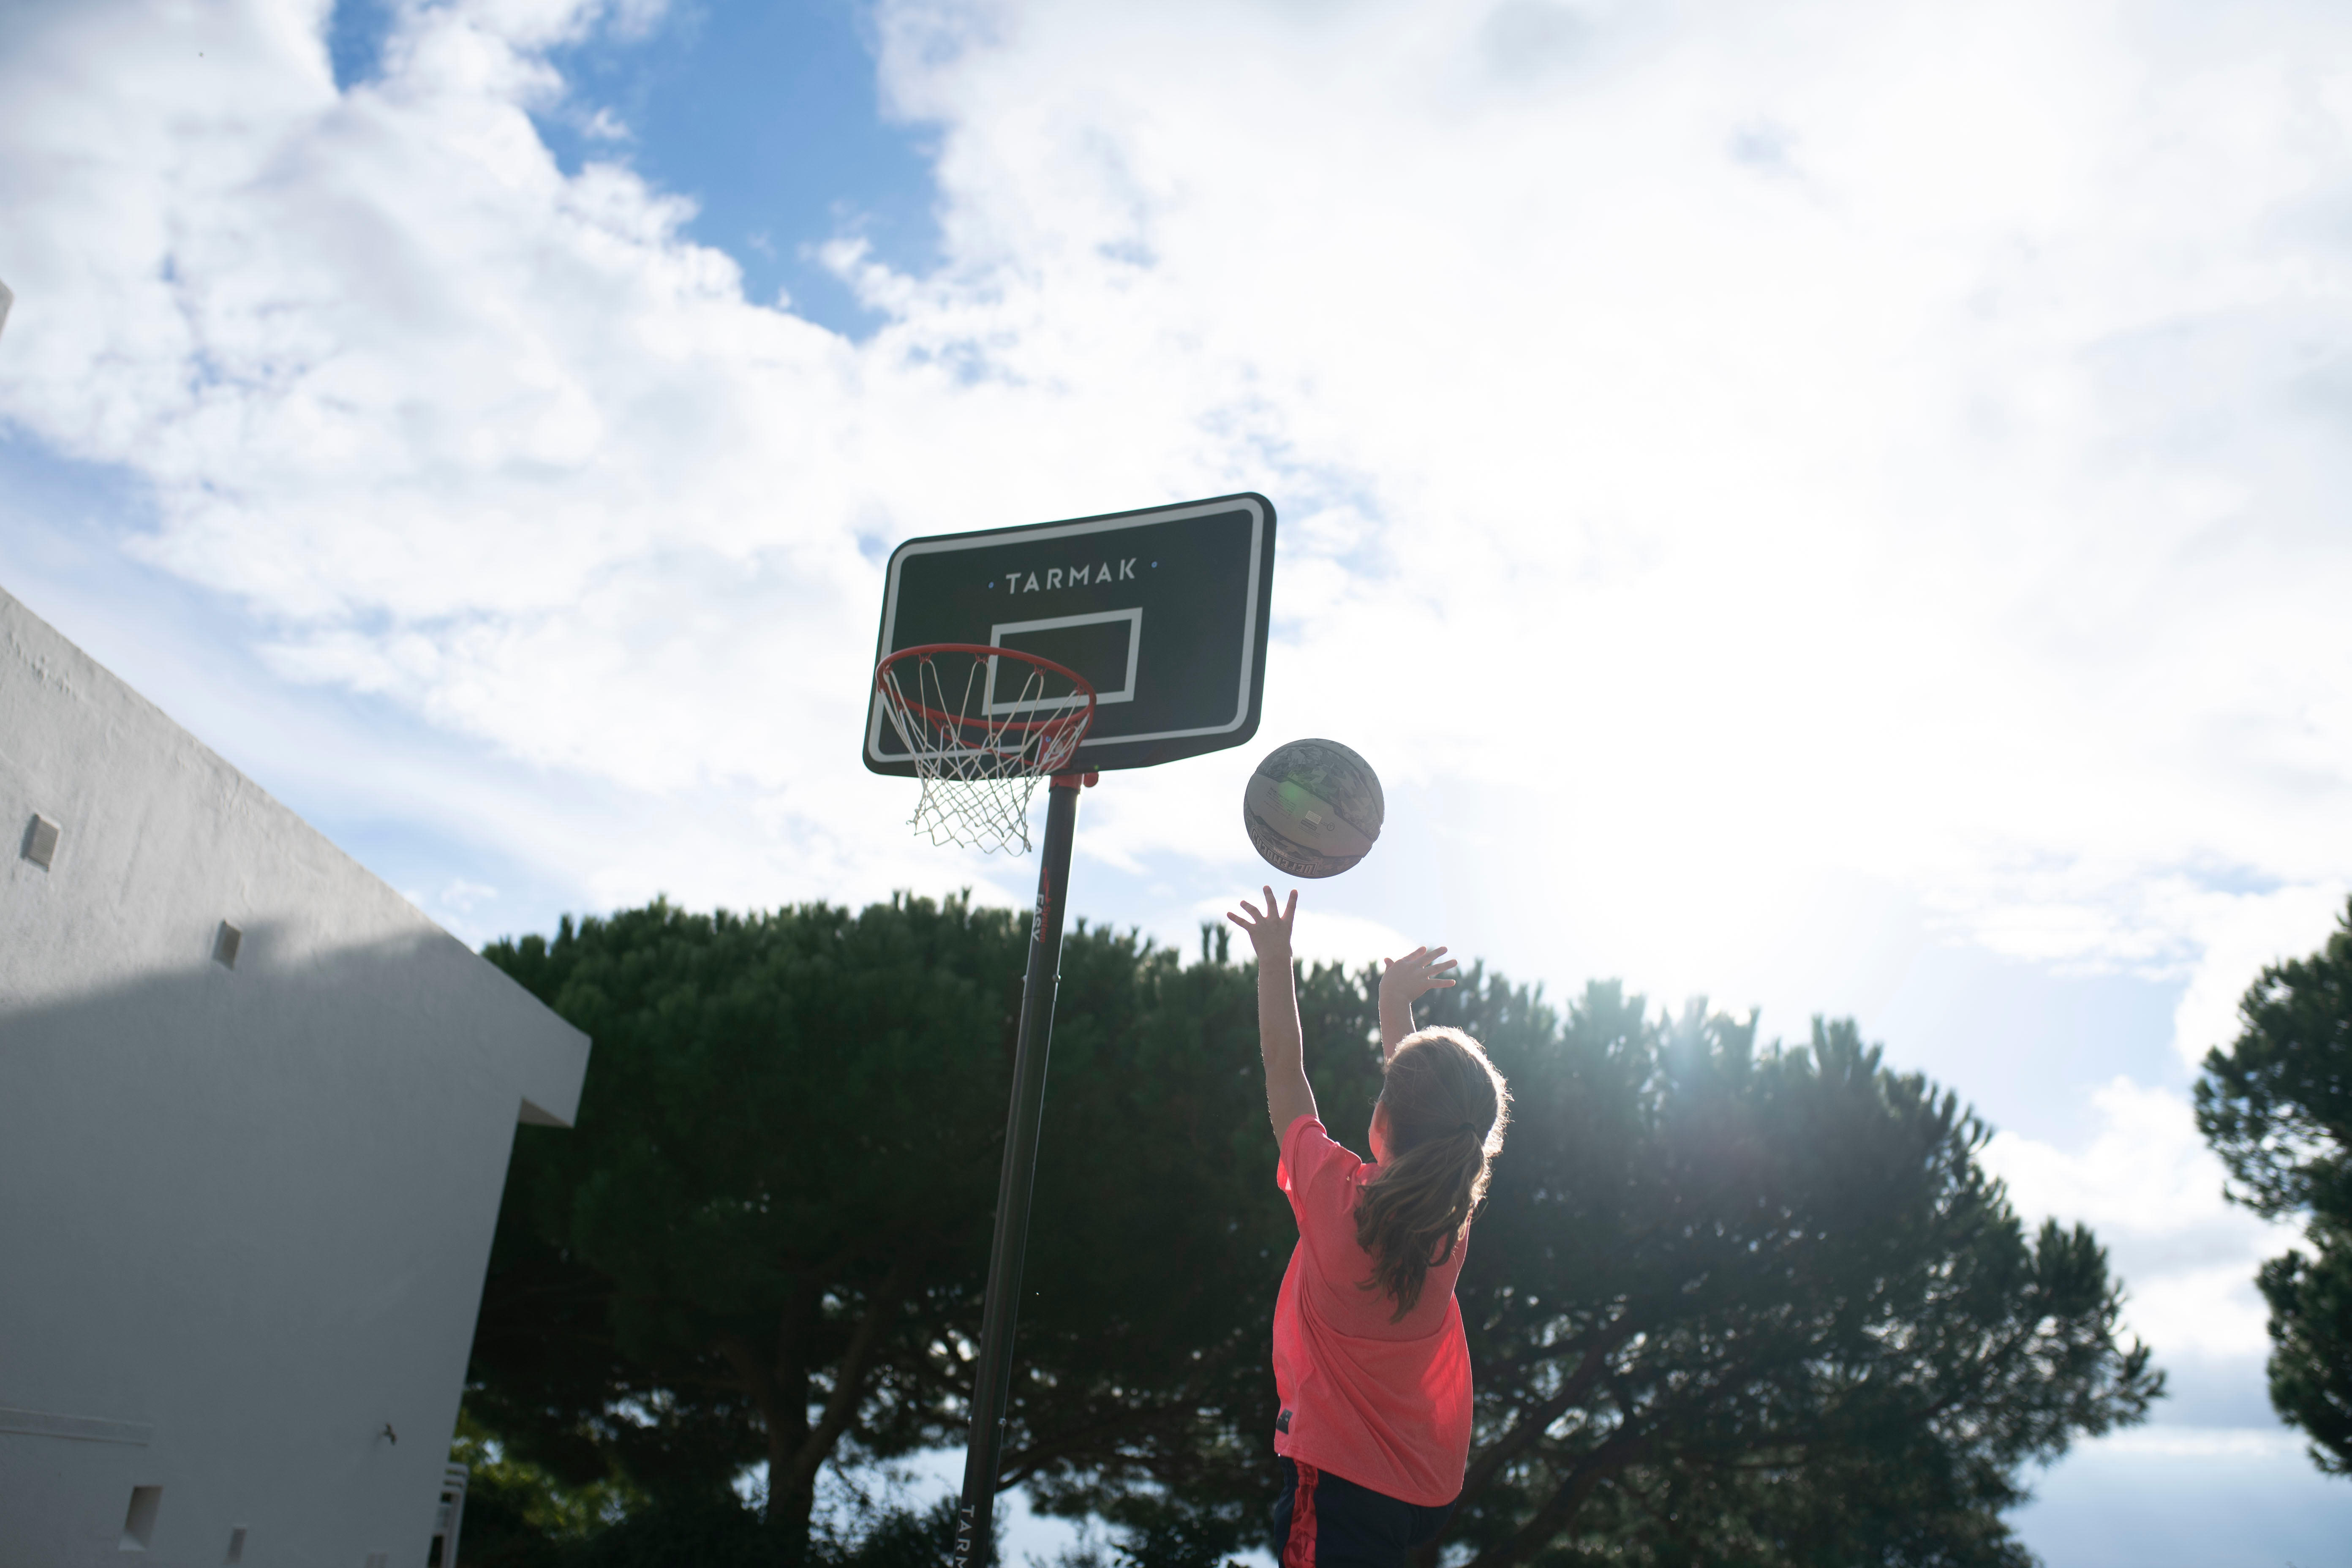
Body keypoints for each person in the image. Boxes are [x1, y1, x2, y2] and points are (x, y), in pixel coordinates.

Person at [1226, 885, 1512, 1568]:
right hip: (1418, 1486)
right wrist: (1393, 1007)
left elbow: (1281, 1066)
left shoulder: (1336, 1200)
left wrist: (1274, 957)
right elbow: (1417, 1109)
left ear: (1381, 1122)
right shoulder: (1450, 1222)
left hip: (1340, 1491)